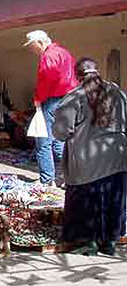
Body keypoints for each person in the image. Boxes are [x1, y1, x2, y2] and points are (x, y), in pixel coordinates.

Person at [53, 58, 127, 256]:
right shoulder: (118, 93)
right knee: (113, 198)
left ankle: (87, 243)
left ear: (77, 76)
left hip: (87, 159)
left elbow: (61, 131)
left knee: (86, 201)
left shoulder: (74, 96)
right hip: (117, 156)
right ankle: (109, 242)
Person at [24, 30, 78, 186]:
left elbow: (47, 79)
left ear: (40, 43)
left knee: (43, 140)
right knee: (60, 141)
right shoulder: (64, 53)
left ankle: (47, 179)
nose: (32, 50)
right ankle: (69, 178)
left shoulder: (49, 56)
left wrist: (38, 98)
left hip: (53, 100)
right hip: (69, 100)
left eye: (32, 47)